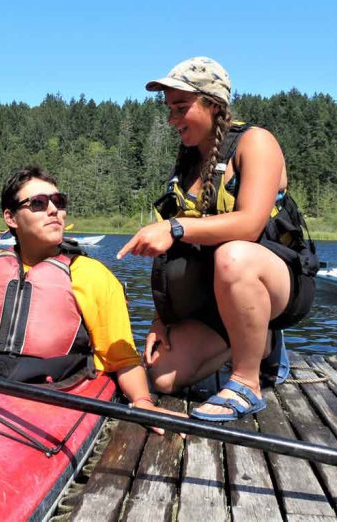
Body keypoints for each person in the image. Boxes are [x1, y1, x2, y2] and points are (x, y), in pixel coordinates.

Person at [0, 166, 182, 433]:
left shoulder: (93, 277)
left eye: (59, 202)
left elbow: (123, 359)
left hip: (53, 386)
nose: (54, 210)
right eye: (38, 204)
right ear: (10, 218)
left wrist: (142, 400)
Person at [117, 57, 318, 422]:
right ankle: (257, 340)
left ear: (213, 104)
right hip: (215, 299)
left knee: (234, 256)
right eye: (169, 109)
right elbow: (169, 263)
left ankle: (247, 381)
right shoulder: (187, 163)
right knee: (162, 376)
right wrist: (160, 322)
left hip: (275, 281)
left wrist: (174, 226)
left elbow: (249, 224)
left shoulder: (256, 142)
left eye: (181, 107)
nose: (172, 119)